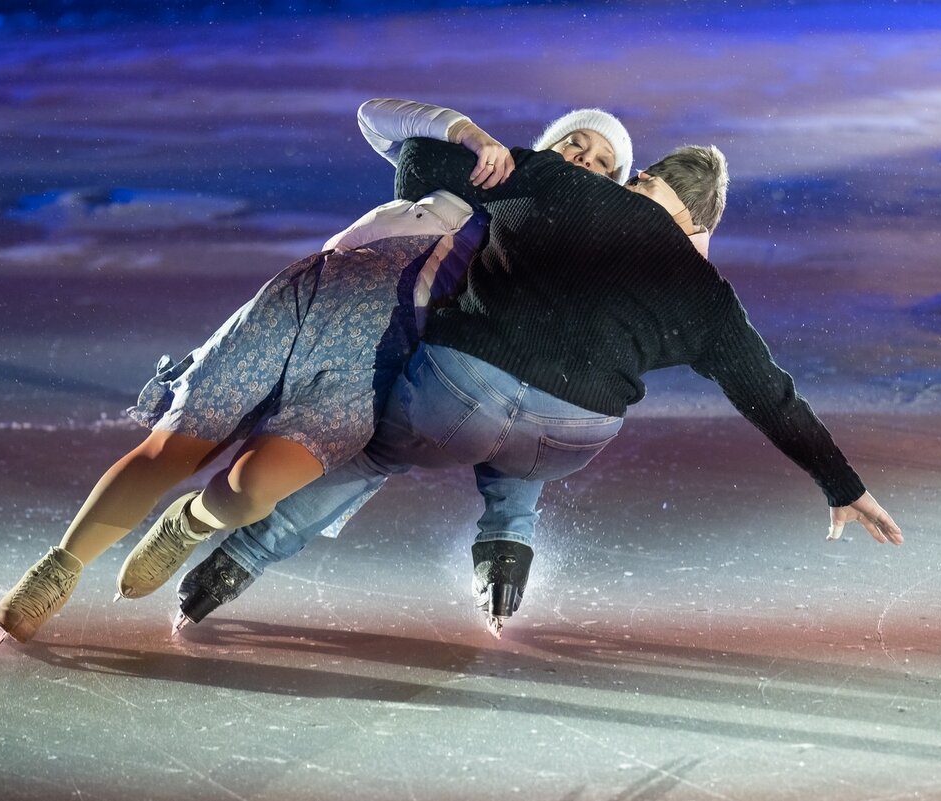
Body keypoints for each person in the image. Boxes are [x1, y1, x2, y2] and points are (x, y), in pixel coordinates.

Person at [164, 134, 902, 639]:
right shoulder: (703, 288)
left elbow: (421, 156)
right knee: (529, 431)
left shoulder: (557, 182)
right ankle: (505, 561)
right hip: (571, 436)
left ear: (640, 180)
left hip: (453, 398)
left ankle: (236, 563)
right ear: (700, 224)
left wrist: (438, 211)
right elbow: (767, 393)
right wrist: (840, 485)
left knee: (374, 452)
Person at [0, 99, 635, 645]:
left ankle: (190, 524)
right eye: (576, 143)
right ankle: (59, 567)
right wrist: (465, 130)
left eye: (604, 165)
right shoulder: (461, 170)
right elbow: (376, 118)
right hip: (305, 300)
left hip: (375, 362)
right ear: (546, 145)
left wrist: (507, 528)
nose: (585, 158)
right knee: (173, 447)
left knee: (251, 489)